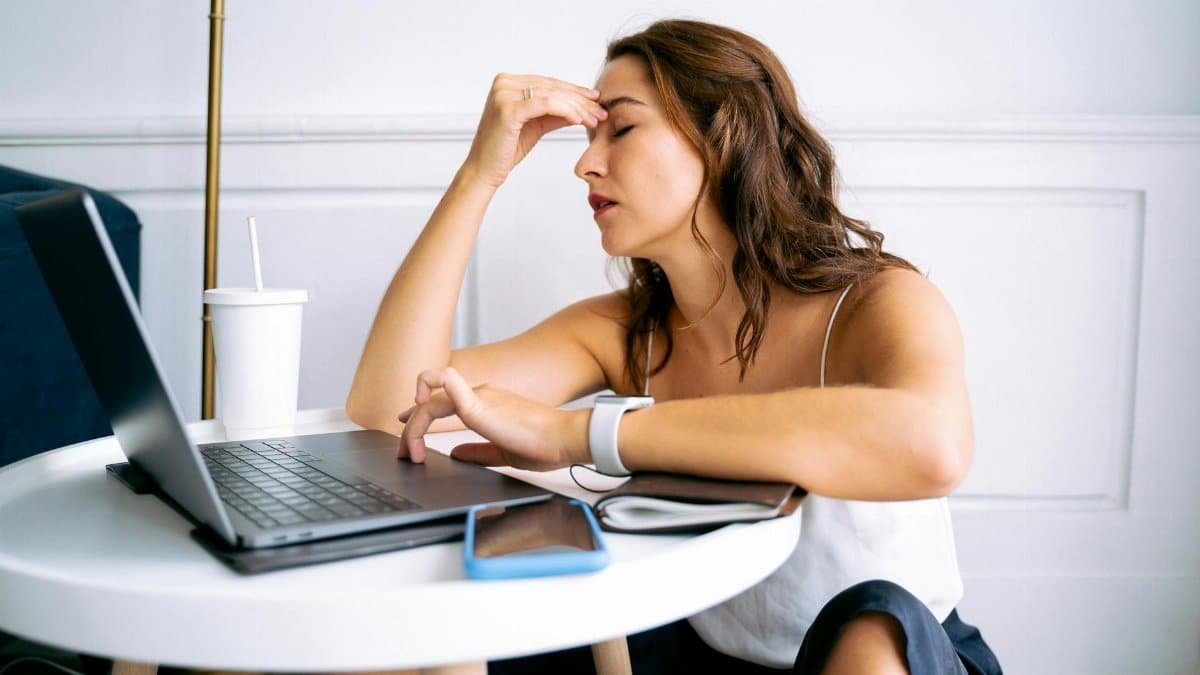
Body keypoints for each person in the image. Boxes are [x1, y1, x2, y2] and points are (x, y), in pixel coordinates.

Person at [346, 18, 1003, 675]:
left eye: (622, 128)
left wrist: (575, 433)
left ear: (723, 138)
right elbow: (388, 405)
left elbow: (932, 445)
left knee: (870, 625)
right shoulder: (624, 330)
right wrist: (477, 176)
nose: (584, 163)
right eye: (589, 136)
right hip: (703, 653)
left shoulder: (875, 300)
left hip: (897, 652)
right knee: (421, 644)